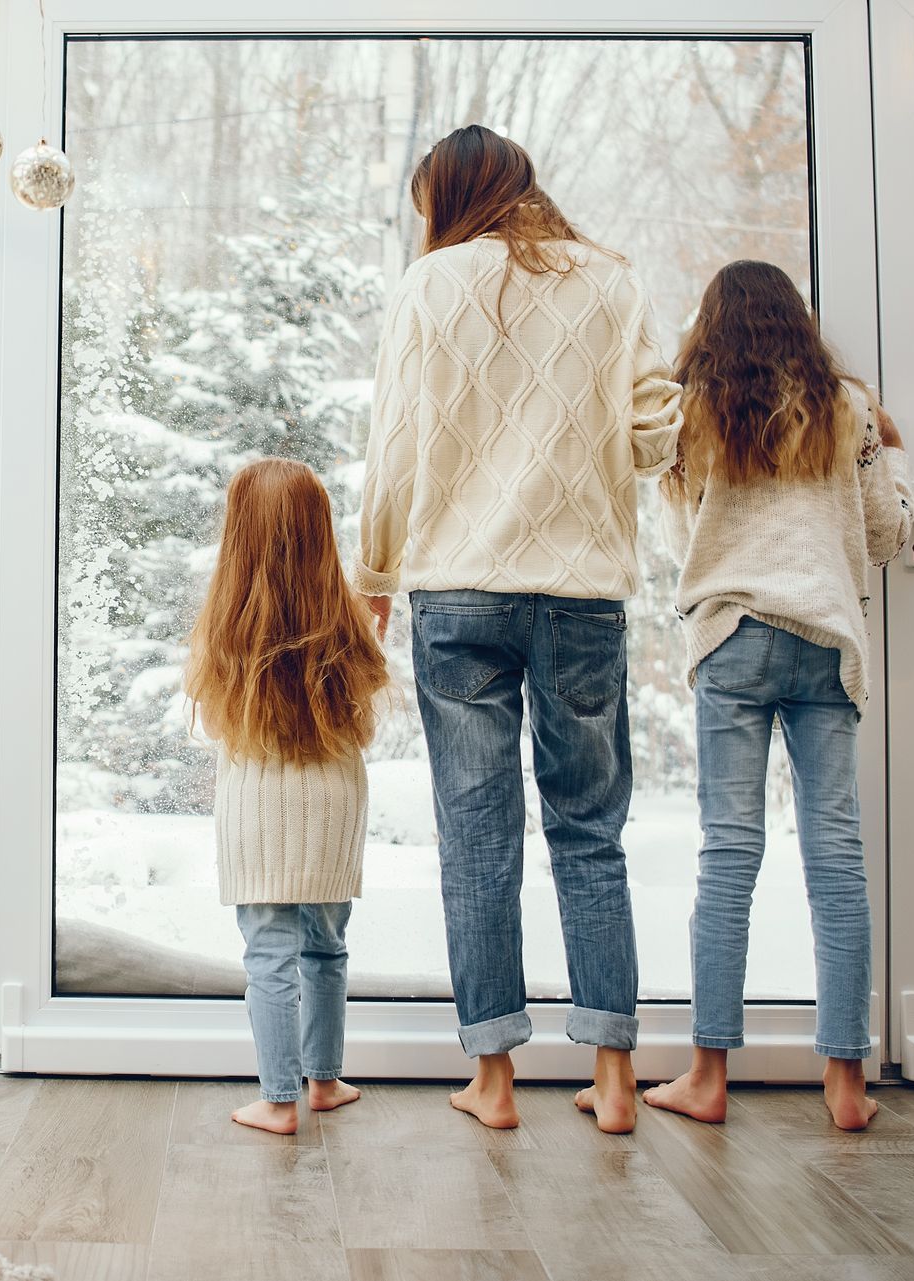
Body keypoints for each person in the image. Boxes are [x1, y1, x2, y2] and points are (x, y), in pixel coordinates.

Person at [356, 125, 683, 1133]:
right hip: (581, 590)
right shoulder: (612, 283)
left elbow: (397, 446)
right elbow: (651, 436)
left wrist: (373, 569)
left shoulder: (428, 287)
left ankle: (493, 1082)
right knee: (591, 833)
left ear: (448, 201)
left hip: (455, 591)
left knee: (477, 836)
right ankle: (618, 1080)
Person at [644, 260, 913, 1131]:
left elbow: (684, 533)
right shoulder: (849, 409)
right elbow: (880, 531)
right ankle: (844, 1084)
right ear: (797, 320)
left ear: (710, 325)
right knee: (835, 855)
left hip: (732, 635)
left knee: (730, 853)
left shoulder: (695, 410)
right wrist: (896, 462)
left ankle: (708, 1074)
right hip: (826, 637)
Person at [184, 457, 392, 1134]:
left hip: (258, 809)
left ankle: (278, 1099)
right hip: (333, 803)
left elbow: (214, 717)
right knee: (326, 945)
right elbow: (368, 686)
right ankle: (324, 1079)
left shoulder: (225, 622)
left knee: (269, 951)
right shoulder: (345, 617)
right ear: (318, 529)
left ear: (238, 532)